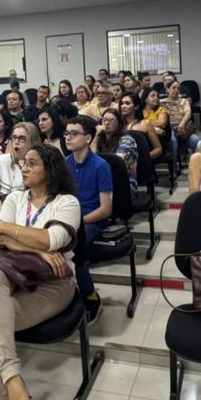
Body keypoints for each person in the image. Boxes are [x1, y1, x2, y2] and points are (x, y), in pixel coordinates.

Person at [0, 143, 83, 400]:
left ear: (50, 170)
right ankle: (13, 380)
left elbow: (53, 239)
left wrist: (10, 231)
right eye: (24, 163)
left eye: (33, 163)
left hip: (54, 282)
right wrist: (37, 249)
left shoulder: (67, 202)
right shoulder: (15, 197)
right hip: (13, 273)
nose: (24, 167)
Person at [65, 115, 111, 324]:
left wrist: (79, 221)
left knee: (74, 248)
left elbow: (105, 209)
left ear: (88, 138)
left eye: (74, 133)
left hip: (91, 221)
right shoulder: (64, 164)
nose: (68, 137)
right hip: (68, 219)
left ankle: (91, 297)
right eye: (67, 133)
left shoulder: (101, 166)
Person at [0, 122, 41, 213]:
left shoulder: (40, 164)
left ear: (33, 142)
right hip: (2, 209)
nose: (16, 142)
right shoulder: (2, 161)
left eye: (21, 138)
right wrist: (4, 214)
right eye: (14, 137)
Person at [95, 108, 139, 192]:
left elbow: (116, 165)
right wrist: (95, 136)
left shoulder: (127, 141)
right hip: (101, 179)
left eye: (111, 120)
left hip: (122, 184)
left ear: (119, 123)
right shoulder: (99, 139)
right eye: (104, 120)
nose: (107, 123)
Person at [118, 93, 163, 160]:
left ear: (136, 106)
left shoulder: (146, 123)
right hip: (121, 161)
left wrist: (143, 159)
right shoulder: (118, 125)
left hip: (142, 161)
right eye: (122, 103)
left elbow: (158, 149)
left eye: (127, 103)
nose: (123, 106)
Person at [162, 80, 194, 153]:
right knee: (173, 141)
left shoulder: (184, 101)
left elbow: (188, 113)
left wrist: (182, 124)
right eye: (173, 88)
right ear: (168, 89)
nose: (176, 90)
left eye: (178, 88)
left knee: (197, 141)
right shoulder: (161, 102)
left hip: (183, 127)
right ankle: (174, 161)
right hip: (169, 129)